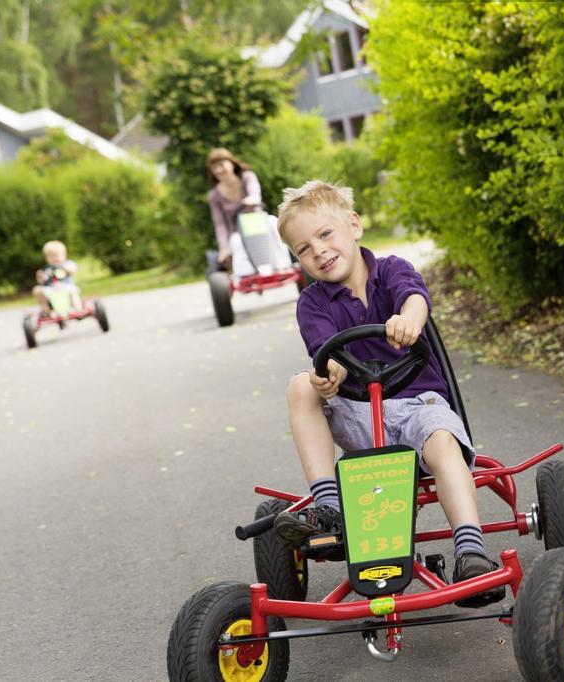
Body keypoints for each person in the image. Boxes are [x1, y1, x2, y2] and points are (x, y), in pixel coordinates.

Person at [271, 180, 504, 608]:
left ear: (354, 226)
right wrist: (329, 374)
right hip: (359, 414)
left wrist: (409, 320)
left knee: (443, 445)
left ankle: (470, 551)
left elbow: (415, 298)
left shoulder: (392, 270)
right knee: (301, 384)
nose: (318, 251)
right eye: (304, 249)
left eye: (325, 235)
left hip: (420, 407)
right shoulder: (312, 304)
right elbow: (325, 353)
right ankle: (330, 509)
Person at [205, 148, 291, 277]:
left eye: (221, 165)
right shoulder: (214, 196)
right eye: (214, 167)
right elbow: (220, 224)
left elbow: (254, 193)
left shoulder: (247, 177)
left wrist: (252, 199)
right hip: (238, 231)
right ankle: (246, 274)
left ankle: (283, 265)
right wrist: (223, 248)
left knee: (273, 222)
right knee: (235, 241)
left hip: (259, 223)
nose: (218, 170)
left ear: (231, 163)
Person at [32, 240, 80, 315]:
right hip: (52, 290)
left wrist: (64, 267)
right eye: (51, 256)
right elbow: (41, 282)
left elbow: (73, 270)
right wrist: (40, 277)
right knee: (37, 290)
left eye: (56, 255)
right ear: (46, 258)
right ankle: (46, 310)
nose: (54, 258)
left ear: (64, 254)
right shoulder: (47, 269)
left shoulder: (67, 263)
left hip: (66, 287)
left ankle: (77, 309)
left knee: (72, 291)